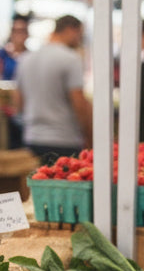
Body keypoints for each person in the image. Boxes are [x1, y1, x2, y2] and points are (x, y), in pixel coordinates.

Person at [13, 14, 91, 161]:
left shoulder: (25, 59)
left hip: (32, 139)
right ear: (70, 30)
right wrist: (89, 136)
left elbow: (18, 102)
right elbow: (79, 103)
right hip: (64, 139)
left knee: (37, 176)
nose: (80, 40)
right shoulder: (71, 59)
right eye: (80, 34)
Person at [2, 14, 31, 148]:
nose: (19, 35)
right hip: (5, 109)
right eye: (16, 31)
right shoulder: (3, 54)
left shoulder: (31, 56)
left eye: (22, 31)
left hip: (25, 109)